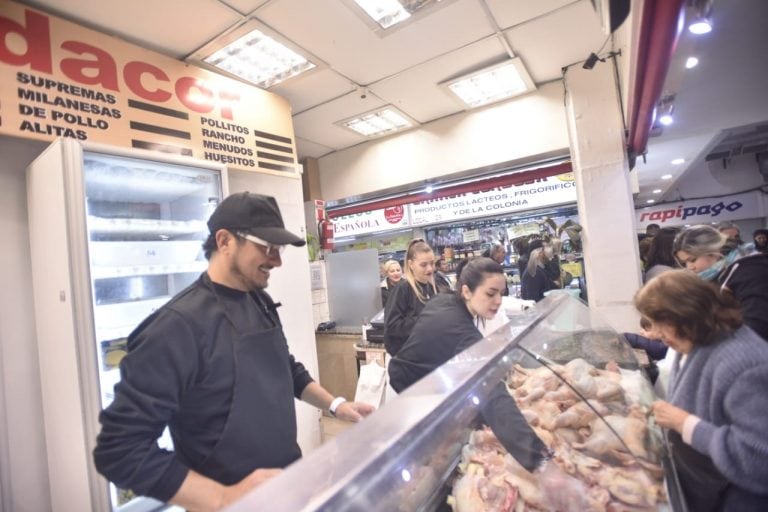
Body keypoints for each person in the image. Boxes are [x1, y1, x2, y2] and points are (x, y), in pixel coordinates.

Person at [93, 192, 374, 511]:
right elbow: (120, 449)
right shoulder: (176, 327)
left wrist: (337, 405)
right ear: (225, 241)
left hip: (287, 488)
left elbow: (286, 368)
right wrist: (221, 497)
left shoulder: (260, 301)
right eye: (267, 247)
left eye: (279, 249)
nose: (277, 261)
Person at [388, 258, 587, 508]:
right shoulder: (462, 331)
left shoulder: (443, 302)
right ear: (466, 291)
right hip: (410, 395)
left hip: (422, 386)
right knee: (419, 478)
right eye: (490, 293)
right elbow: (494, 395)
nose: (498, 301)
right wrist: (540, 462)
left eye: (501, 294)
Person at [636, 271, 768, 511]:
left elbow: (759, 458)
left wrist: (685, 424)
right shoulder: (697, 342)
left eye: (659, 323)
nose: (654, 333)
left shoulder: (744, 365)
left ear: (686, 315)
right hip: (703, 490)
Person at [673, 224, 768, 340]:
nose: (690, 267)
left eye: (692, 260)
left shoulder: (750, 271)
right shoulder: (720, 276)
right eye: (684, 263)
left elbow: (757, 327)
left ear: (713, 250)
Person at [383, 239, 439, 356]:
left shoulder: (432, 287)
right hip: (407, 359)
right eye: (423, 265)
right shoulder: (403, 288)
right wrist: (426, 320)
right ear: (411, 264)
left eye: (432, 263)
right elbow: (392, 327)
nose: (429, 269)